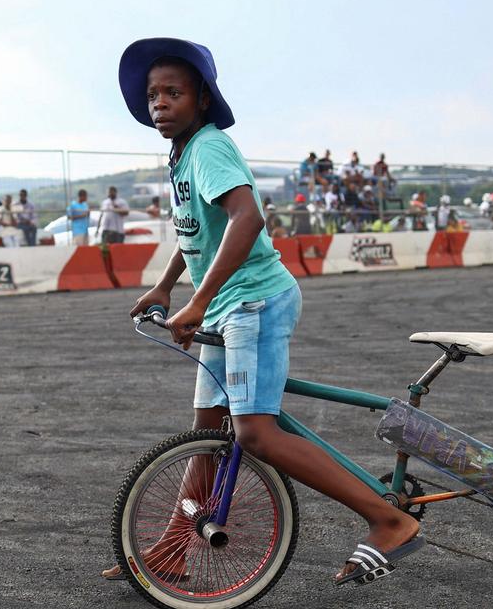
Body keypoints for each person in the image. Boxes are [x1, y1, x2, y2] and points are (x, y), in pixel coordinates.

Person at [106, 39, 421, 587]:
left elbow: (246, 219)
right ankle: (174, 549)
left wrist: (197, 302)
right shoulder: (181, 154)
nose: (159, 103)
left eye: (173, 92)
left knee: (255, 434)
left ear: (202, 99)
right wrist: (164, 287)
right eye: (153, 94)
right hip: (224, 305)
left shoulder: (207, 147)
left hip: (253, 300)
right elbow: (196, 231)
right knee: (208, 428)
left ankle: (388, 520)